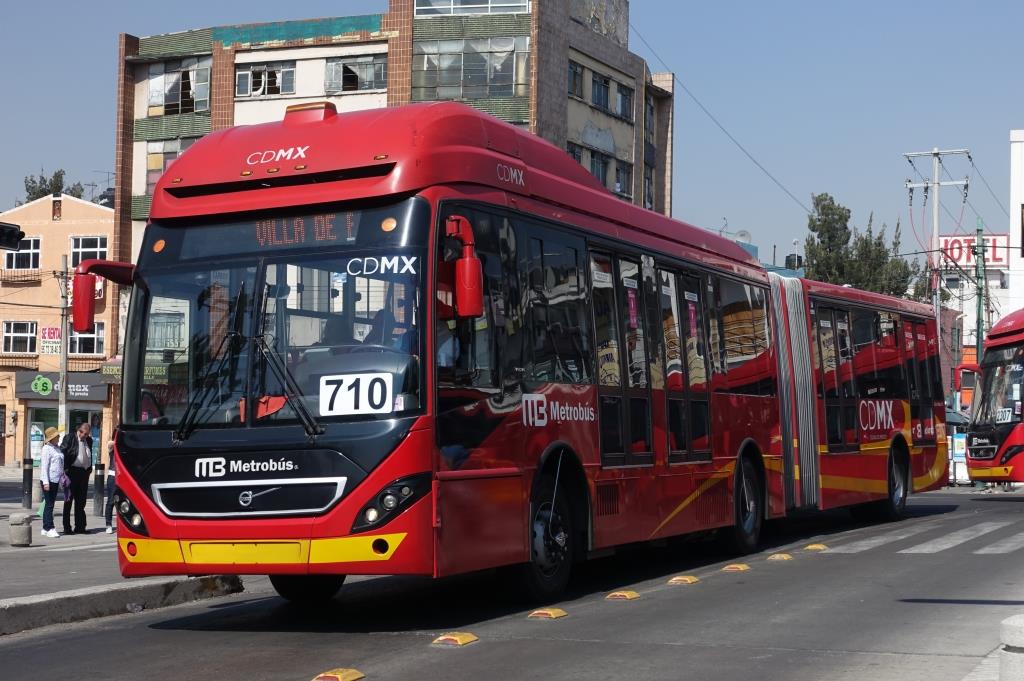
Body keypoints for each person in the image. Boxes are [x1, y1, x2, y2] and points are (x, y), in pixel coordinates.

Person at [61, 422, 93, 534]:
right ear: (78, 431)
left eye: (87, 434)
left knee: (81, 501)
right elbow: (63, 452)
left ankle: (80, 526)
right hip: (72, 472)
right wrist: (65, 468)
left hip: (84, 473)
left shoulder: (89, 440)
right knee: (68, 500)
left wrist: (89, 469)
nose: (85, 436)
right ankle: (67, 527)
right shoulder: (70, 438)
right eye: (84, 433)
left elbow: (89, 454)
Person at [38, 427, 63, 539]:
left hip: (56, 479)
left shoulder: (57, 448)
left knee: (49, 504)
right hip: (48, 480)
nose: (58, 438)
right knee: (49, 505)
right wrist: (45, 482)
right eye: (57, 436)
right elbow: (44, 467)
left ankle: (44, 527)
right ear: (51, 438)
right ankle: (50, 528)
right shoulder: (46, 449)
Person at [104, 440, 116, 534]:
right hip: (113, 475)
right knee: (111, 501)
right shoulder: (113, 446)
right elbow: (109, 444)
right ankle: (108, 524)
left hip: (123, 476)